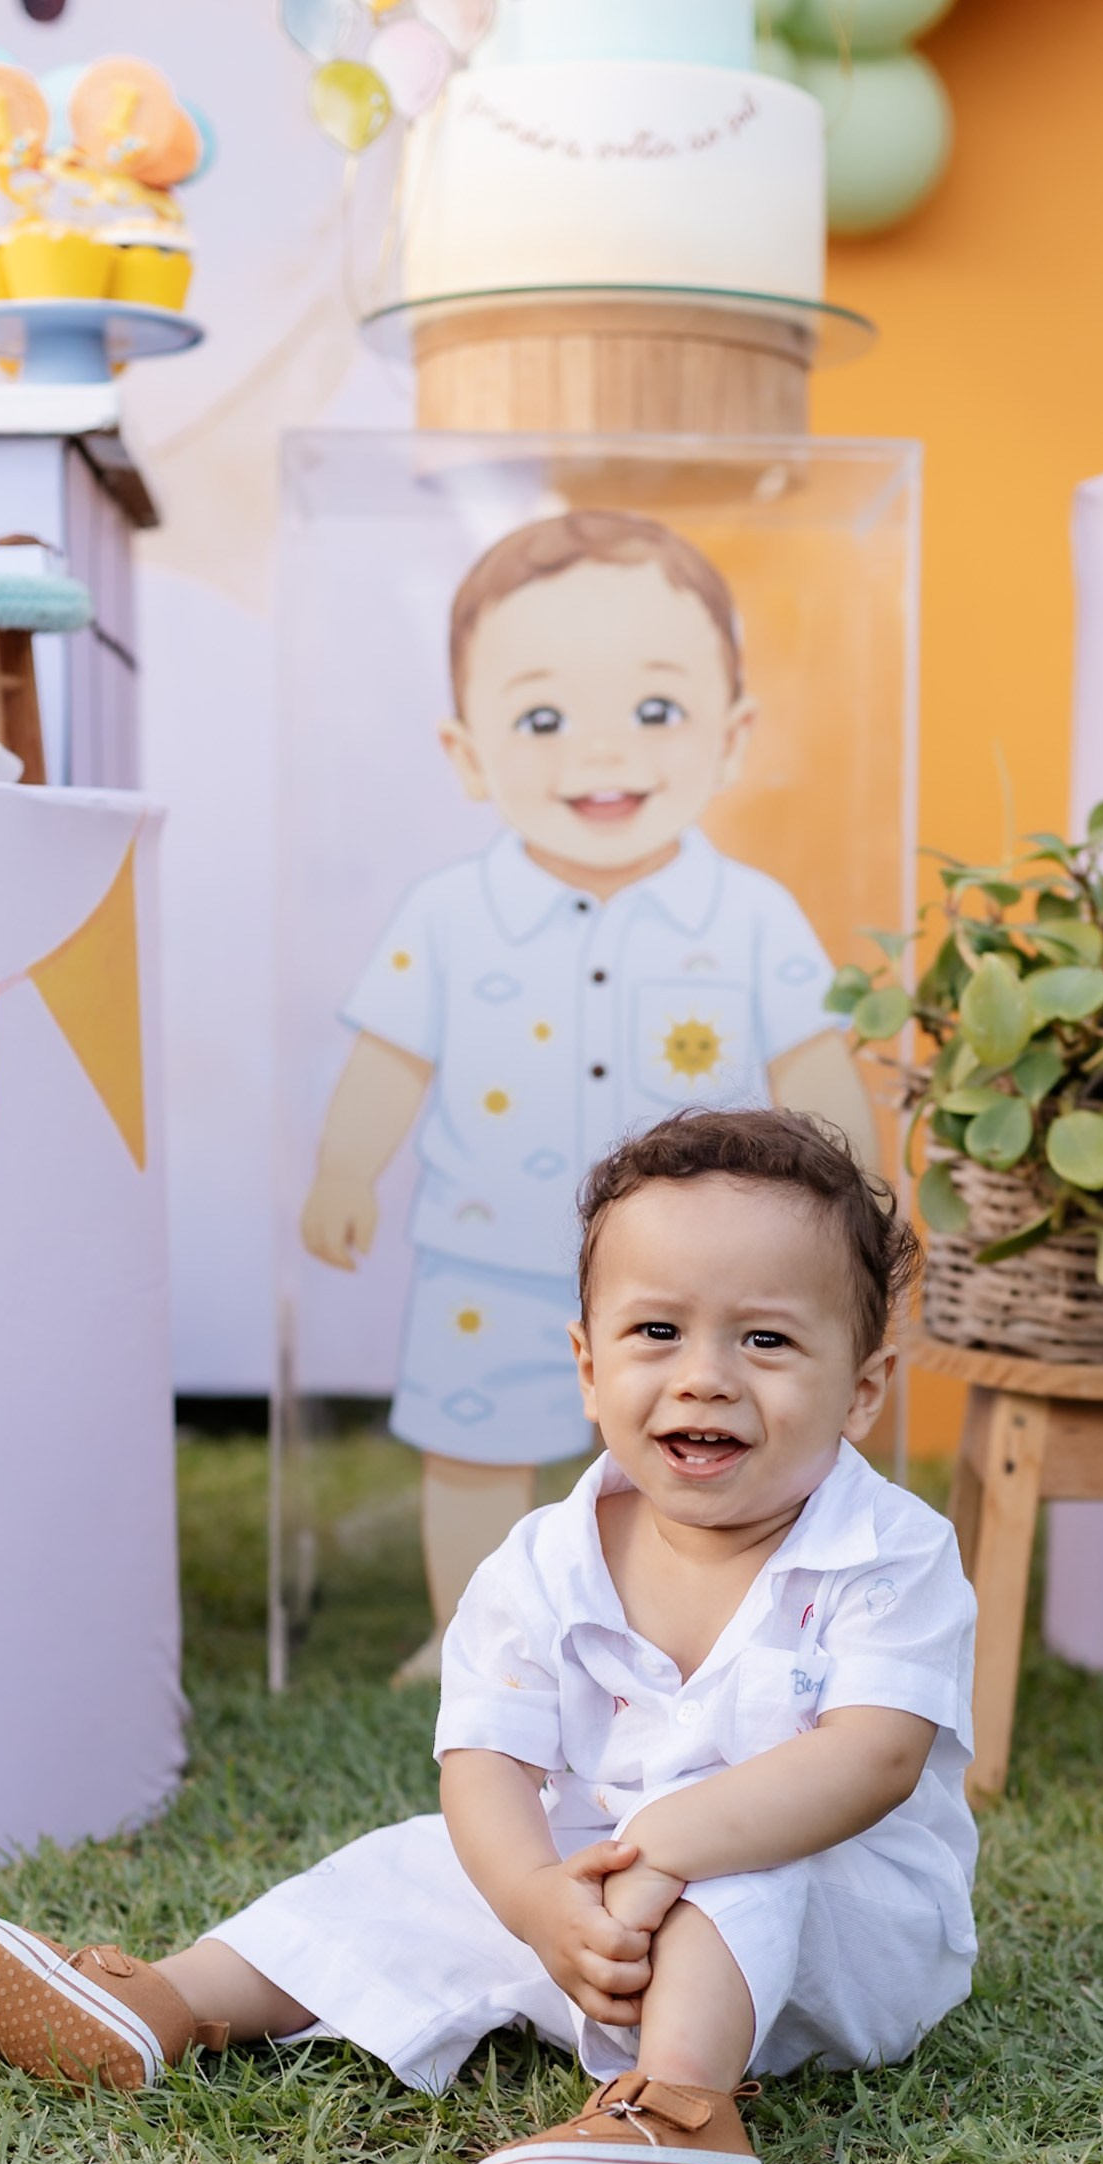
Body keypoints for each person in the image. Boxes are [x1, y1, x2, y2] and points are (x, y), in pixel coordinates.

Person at [0, 1110, 978, 2164]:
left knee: (749, 1866)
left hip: (837, 1933)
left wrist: (672, 1843)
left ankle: (679, 2110)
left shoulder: (889, 1552)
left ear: (863, 1388)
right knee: (413, 1863)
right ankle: (169, 2001)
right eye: (658, 1330)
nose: (706, 1377)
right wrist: (535, 1901)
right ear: (587, 1363)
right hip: (591, 1924)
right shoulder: (543, 1560)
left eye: (765, 1340)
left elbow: (869, 1759)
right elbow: (484, 1761)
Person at [296, 511, 879, 1678]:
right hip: (490, 1249)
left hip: (707, 1278)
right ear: (466, 752)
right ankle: (480, 1639)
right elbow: (393, 1056)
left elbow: (815, 1066)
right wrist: (344, 1166)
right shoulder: (448, 917)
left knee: (711, 1439)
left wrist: (864, 1199)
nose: (599, 754)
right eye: (543, 716)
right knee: (477, 1451)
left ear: (732, 735)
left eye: (656, 709)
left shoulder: (753, 915)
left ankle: (710, 1629)